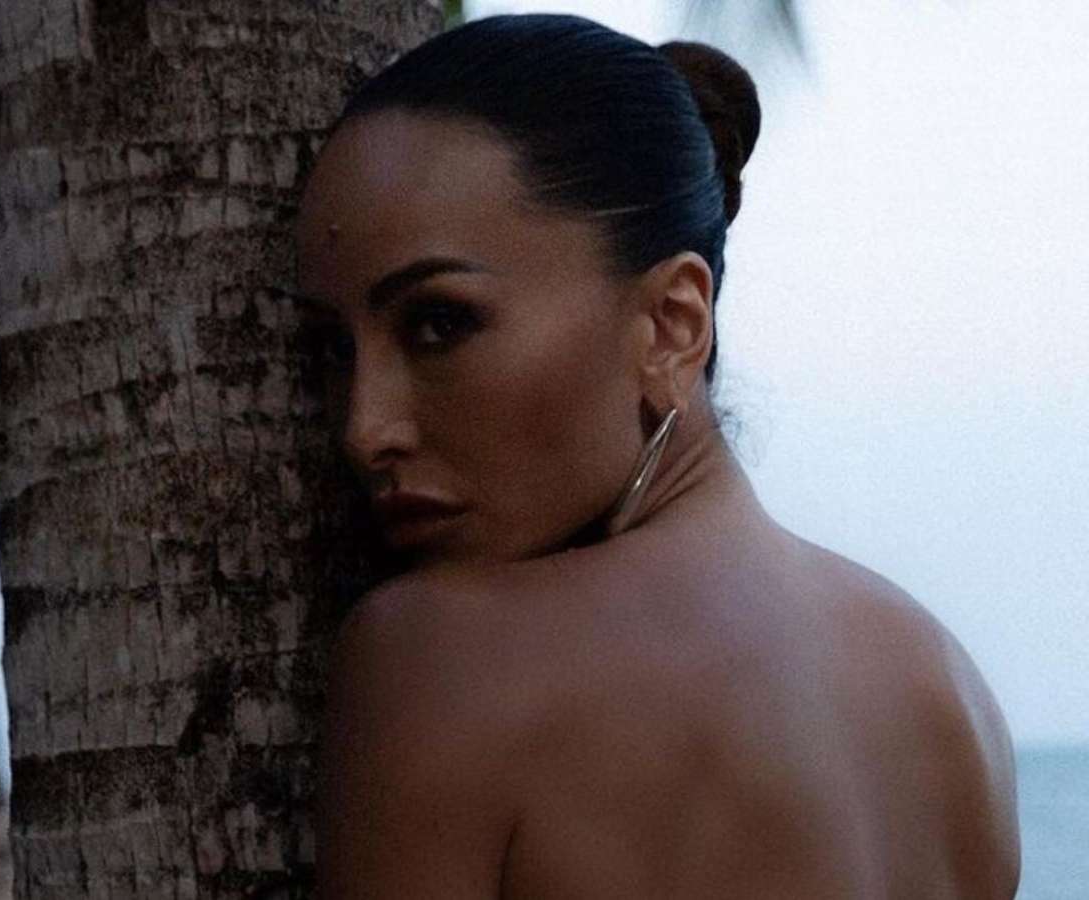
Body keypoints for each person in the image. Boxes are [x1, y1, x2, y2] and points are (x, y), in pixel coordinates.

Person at [292, 14, 1021, 898]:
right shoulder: (946, 691)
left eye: (440, 323)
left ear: (672, 324)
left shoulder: (441, 659)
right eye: (333, 350)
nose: (364, 428)